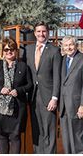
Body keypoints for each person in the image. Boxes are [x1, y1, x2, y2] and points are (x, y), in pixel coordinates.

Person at [23, 22, 62, 153]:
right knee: (36, 130)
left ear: (48, 33)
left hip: (48, 98)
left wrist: (55, 98)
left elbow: (57, 76)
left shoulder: (55, 50)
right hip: (33, 97)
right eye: (38, 31)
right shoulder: (28, 50)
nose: (41, 34)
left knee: (49, 132)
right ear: (34, 33)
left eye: (44, 31)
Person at [0, 38, 32, 154]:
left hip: (17, 108)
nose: (9, 52)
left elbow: (29, 85)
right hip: (0, 109)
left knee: (15, 137)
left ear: (16, 51)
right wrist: (0, 89)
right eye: (6, 49)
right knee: (2, 137)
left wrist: (19, 90)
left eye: (12, 49)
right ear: (3, 51)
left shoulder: (23, 66)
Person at [59, 36, 83, 154]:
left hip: (77, 106)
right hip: (64, 107)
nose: (68, 47)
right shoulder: (63, 60)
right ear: (62, 47)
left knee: (78, 139)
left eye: (71, 45)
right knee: (67, 139)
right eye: (66, 45)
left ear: (76, 45)